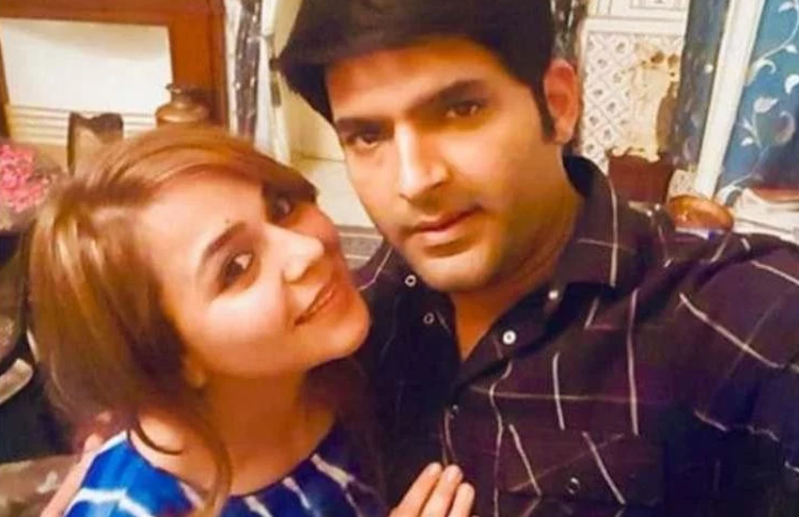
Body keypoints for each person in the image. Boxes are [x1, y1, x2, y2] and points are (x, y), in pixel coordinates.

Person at [273, 0, 799, 515]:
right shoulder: (355, 328)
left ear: (558, 104)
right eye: (368, 136)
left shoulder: (743, 327)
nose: (413, 181)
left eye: (460, 110)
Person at [29, 127, 474, 517]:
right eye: (237, 267)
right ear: (165, 357)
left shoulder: (333, 375)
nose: (307, 251)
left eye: (280, 207)